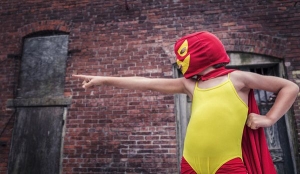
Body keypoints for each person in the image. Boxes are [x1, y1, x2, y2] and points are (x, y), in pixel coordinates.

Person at [73, 31, 299, 174]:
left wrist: (269, 119)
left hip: (228, 164)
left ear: (201, 52)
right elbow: (145, 82)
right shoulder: (190, 85)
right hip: (190, 164)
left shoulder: (237, 78)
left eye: (182, 55)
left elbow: (289, 87)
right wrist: (104, 80)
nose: (179, 62)